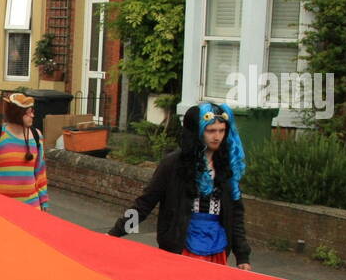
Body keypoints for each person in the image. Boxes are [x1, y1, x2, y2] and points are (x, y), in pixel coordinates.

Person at [107, 102, 251, 269]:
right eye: (211, 131)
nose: (217, 137)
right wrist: (114, 233)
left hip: (216, 247)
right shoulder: (173, 164)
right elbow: (145, 203)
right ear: (197, 132)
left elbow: (235, 213)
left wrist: (242, 256)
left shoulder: (227, 167)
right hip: (180, 246)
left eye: (221, 131)